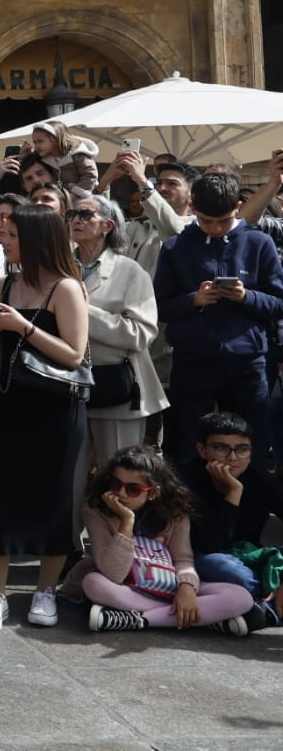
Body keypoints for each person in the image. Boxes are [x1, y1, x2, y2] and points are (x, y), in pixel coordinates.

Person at [0, 205, 90, 633]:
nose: (5, 241)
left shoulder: (66, 288)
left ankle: (45, 590)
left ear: (37, 239)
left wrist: (23, 326)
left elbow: (74, 354)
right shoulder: (4, 282)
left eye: (13, 235)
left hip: (56, 409)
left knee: (54, 499)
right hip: (6, 405)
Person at [153, 172, 283, 459]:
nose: (214, 229)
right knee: (187, 443)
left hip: (247, 363)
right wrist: (194, 300)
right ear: (193, 207)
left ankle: (250, 502)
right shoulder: (176, 247)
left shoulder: (259, 243)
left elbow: (279, 302)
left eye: (223, 221)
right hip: (192, 362)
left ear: (238, 207)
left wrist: (247, 297)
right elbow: (158, 307)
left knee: (252, 443)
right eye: (206, 221)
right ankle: (188, 502)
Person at [67, 444, 254, 634]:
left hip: (165, 584)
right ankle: (199, 619)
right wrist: (126, 521)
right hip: (124, 586)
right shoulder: (96, 510)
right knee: (93, 583)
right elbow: (113, 574)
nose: (121, 493)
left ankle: (136, 619)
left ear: (153, 493)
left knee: (241, 597)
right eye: (115, 484)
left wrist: (187, 587)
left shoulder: (175, 512)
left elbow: (183, 559)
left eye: (133, 489)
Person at [71, 195, 167, 461]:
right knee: (69, 484)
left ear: (108, 226)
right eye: (72, 214)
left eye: (86, 214)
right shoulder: (61, 267)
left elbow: (141, 334)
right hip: (67, 386)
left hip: (117, 389)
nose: (76, 219)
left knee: (117, 475)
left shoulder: (130, 271)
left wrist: (81, 311)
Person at [179, 410, 283, 628]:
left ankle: (261, 610)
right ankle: (267, 609)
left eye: (242, 449)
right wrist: (233, 493)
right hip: (200, 558)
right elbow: (211, 545)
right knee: (228, 570)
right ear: (202, 450)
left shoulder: (259, 478)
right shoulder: (185, 480)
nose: (233, 457)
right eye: (221, 448)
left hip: (249, 555)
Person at [29, 120, 100, 194]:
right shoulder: (45, 157)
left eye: (40, 141)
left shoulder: (77, 154)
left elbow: (90, 175)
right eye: (35, 142)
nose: (36, 146)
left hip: (88, 195)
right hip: (64, 196)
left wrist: (77, 194)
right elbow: (27, 167)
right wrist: (24, 154)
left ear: (56, 140)